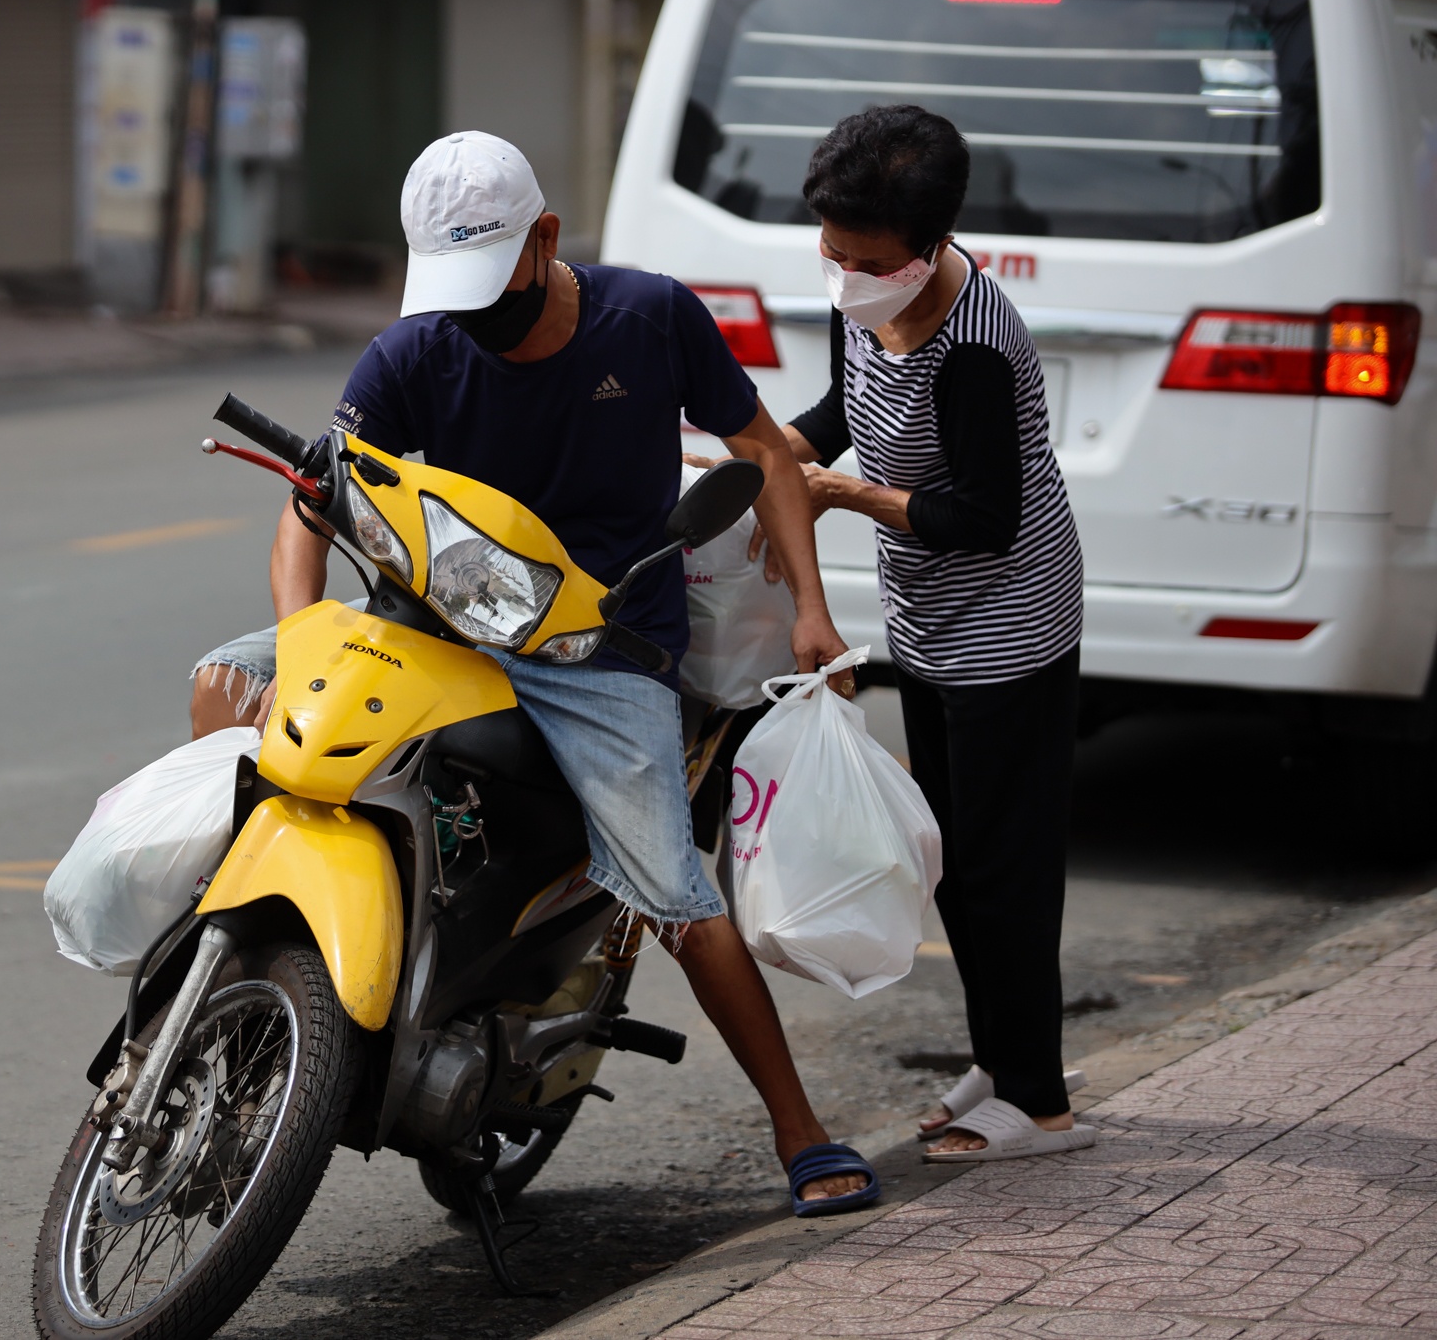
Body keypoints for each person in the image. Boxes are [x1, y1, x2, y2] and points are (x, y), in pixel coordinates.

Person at [190, 130, 880, 1213]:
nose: (471, 313)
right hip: (436, 626)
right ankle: (229, 976)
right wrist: (297, 638)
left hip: (599, 652)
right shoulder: (414, 350)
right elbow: (310, 503)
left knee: (677, 899)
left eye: (488, 279)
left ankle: (799, 1131)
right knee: (222, 692)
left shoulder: (647, 318)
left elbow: (760, 456)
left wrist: (809, 608)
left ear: (544, 238)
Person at [757, 105, 1091, 1162]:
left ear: (928, 248)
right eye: (831, 250)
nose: (842, 272)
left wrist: (849, 498)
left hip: (1009, 621)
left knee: (1003, 863)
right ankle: (999, 1060)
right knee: (949, 855)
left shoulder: (975, 347)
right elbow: (835, 409)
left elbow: (984, 522)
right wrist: (755, 459)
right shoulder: (861, 297)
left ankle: (1038, 1105)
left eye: (864, 258)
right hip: (930, 621)